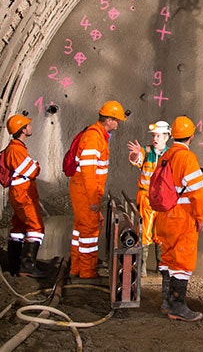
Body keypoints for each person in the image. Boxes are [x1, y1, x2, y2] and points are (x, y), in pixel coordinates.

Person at [155, 115, 203, 322]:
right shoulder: (187, 158)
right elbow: (198, 192)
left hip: (164, 216)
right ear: (191, 136)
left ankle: (166, 302)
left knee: (167, 259)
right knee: (182, 262)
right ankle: (178, 307)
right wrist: (200, 217)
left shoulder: (165, 156)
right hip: (181, 218)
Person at [69, 100, 127, 279]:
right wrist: (94, 200)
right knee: (89, 232)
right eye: (117, 120)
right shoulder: (94, 138)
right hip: (86, 192)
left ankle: (76, 267)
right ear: (108, 120)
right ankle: (86, 271)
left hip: (83, 190)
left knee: (80, 229)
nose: (118, 124)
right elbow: (88, 173)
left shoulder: (98, 136)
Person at [2, 114, 46, 278]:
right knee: (36, 227)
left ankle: (14, 264)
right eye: (28, 125)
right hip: (23, 193)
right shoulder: (16, 150)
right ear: (23, 130)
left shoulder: (16, 148)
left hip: (20, 192)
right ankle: (27, 266)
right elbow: (33, 171)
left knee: (19, 227)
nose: (30, 127)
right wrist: (36, 165)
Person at [127, 121, 171, 277]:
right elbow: (136, 159)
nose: (155, 138)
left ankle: (161, 265)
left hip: (163, 199)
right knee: (145, 231)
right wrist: (136, 154)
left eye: (158, 135)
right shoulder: (146, 152)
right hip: (146, 197)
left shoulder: (170, 154)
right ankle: (143, 265)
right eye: (154, 135)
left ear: (166, 137)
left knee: (161, 232)